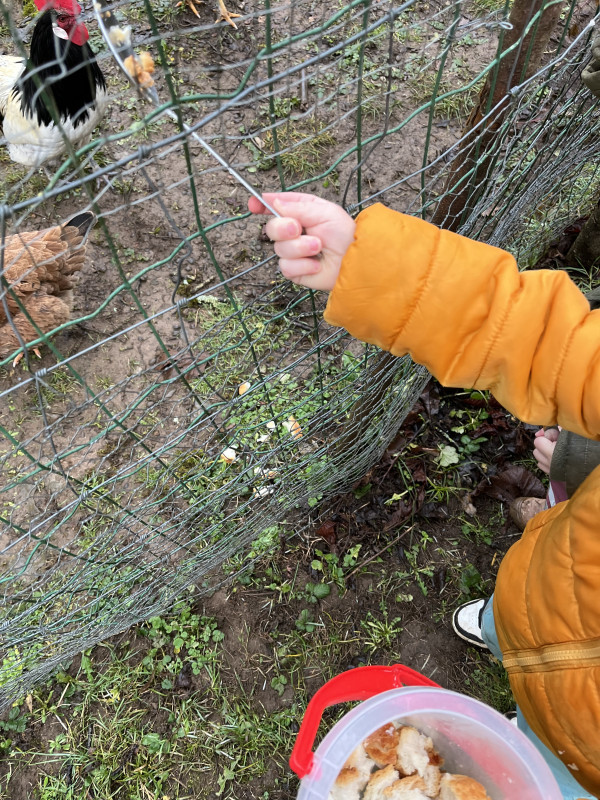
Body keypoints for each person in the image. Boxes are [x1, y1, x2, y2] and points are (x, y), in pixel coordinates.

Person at [248, 191, 600, 800]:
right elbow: (553, 341)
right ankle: (497, 631)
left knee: (542, 773)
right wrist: (376, 269)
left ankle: (527, 741)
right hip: (553, 598)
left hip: (588, 762)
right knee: (514, 620)